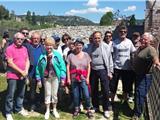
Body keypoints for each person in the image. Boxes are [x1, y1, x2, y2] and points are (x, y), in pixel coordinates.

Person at [35, 37, 66, 119]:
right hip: (46, 78)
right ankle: (47, 110)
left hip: (55, 77)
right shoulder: (42, 55)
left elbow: (63, 67)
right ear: (45, 46)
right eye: (47, 45)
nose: (49, 47)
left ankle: (55, 109)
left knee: (54, 94)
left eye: (51, 45)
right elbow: (38, 68)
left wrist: (63, 78)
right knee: (47, 94)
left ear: (53, 46)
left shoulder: (57, 55)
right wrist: (38, 79)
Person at [85, 31, 113, 118]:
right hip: (93, 70)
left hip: (103, 70)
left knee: (105, 89)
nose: (97, 39)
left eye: (98, 38)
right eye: (95, 38)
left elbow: (110, 59)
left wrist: (110, 72)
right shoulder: (89, 47)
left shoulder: (106, 46)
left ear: (101, 38)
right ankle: (96, 106)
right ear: (92, 39)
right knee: (94, 89)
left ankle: (106, 109)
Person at [132, 32, 160, 120]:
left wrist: (157, 64)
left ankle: (137, 115)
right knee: (137, 93)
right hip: (138, 74)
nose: (143, 40)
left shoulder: (150, 49)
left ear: (150, 41)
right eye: (142, 38)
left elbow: (155, 59)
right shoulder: (141, 48)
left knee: (140, 94)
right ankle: (136, 110)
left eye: (145, 39)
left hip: (145, 76)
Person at [5, 32, 30, 120]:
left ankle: (18, 108)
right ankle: (8, 112)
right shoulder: (9, 48)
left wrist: (26, 71)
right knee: (10, 95)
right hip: (12, 75)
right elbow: (10, 63)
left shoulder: (24, 48)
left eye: (22, 39)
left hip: (23, 75)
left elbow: (27, 60)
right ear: (14, 39)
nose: (20, 40)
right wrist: (21, 71)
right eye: (18, 39)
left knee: (21, 93)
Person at [66, 38, 93, 118]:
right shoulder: (70, 55)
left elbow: (89, 66)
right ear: (74, 45)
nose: (78, 46)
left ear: (82, 46)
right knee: (76, 95)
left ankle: (88, 109)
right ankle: (76, 109)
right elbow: (68, 67)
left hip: (83, 78)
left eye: (80, 45)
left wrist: (88, 77)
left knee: (86, 95)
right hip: (74, 78)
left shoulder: (86, 55)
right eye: (77, 44)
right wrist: (68, 79)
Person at [110, 26, 136, 102]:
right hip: (116, 67)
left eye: (124, 32)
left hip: (127, 68)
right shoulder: (114, 42)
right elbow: (111, 54)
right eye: (121, 31)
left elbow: (133, 53)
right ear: (118, 33)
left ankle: (125, 101)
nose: (123, 33)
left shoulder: (129, 42)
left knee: (126, 86)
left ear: (127, 33)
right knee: (113, 85)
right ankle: (111, 101)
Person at [25, 32, 46, 111]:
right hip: (31, 72)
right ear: (31, 39)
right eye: (34, 38)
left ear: (40, 39)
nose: (36, 40)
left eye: (37, 38)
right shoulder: (28, 47)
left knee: (42, 89)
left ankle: (40, 102)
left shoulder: (43, 48)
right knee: (32, 90)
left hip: (41, 73)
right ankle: (32, 104)